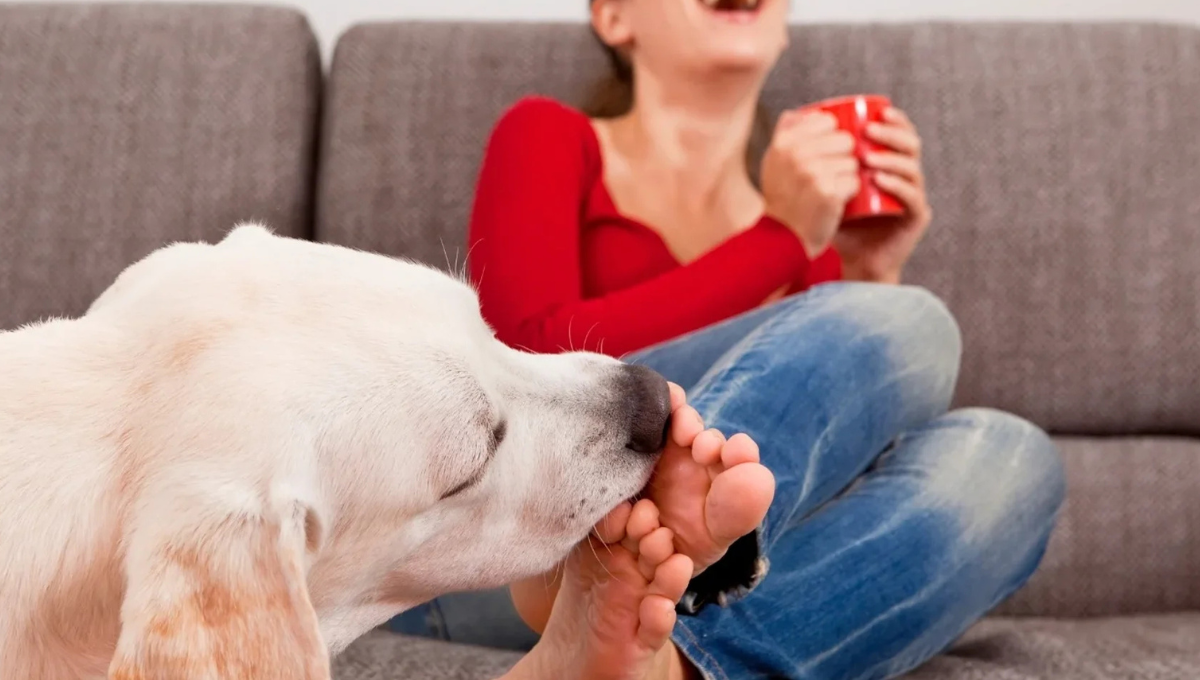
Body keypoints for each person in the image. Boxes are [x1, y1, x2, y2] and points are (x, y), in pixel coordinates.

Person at [390, 1, 1067, 678]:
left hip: (654, 614)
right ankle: (629, 539)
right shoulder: (547, 134)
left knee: (1012, 456)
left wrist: (869, 268)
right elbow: (519, 359)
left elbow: (841, 471)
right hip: (511, 545)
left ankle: (674, 656)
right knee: (913, 321)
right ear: (615, 17)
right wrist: (781, 242)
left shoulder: (817, 254)